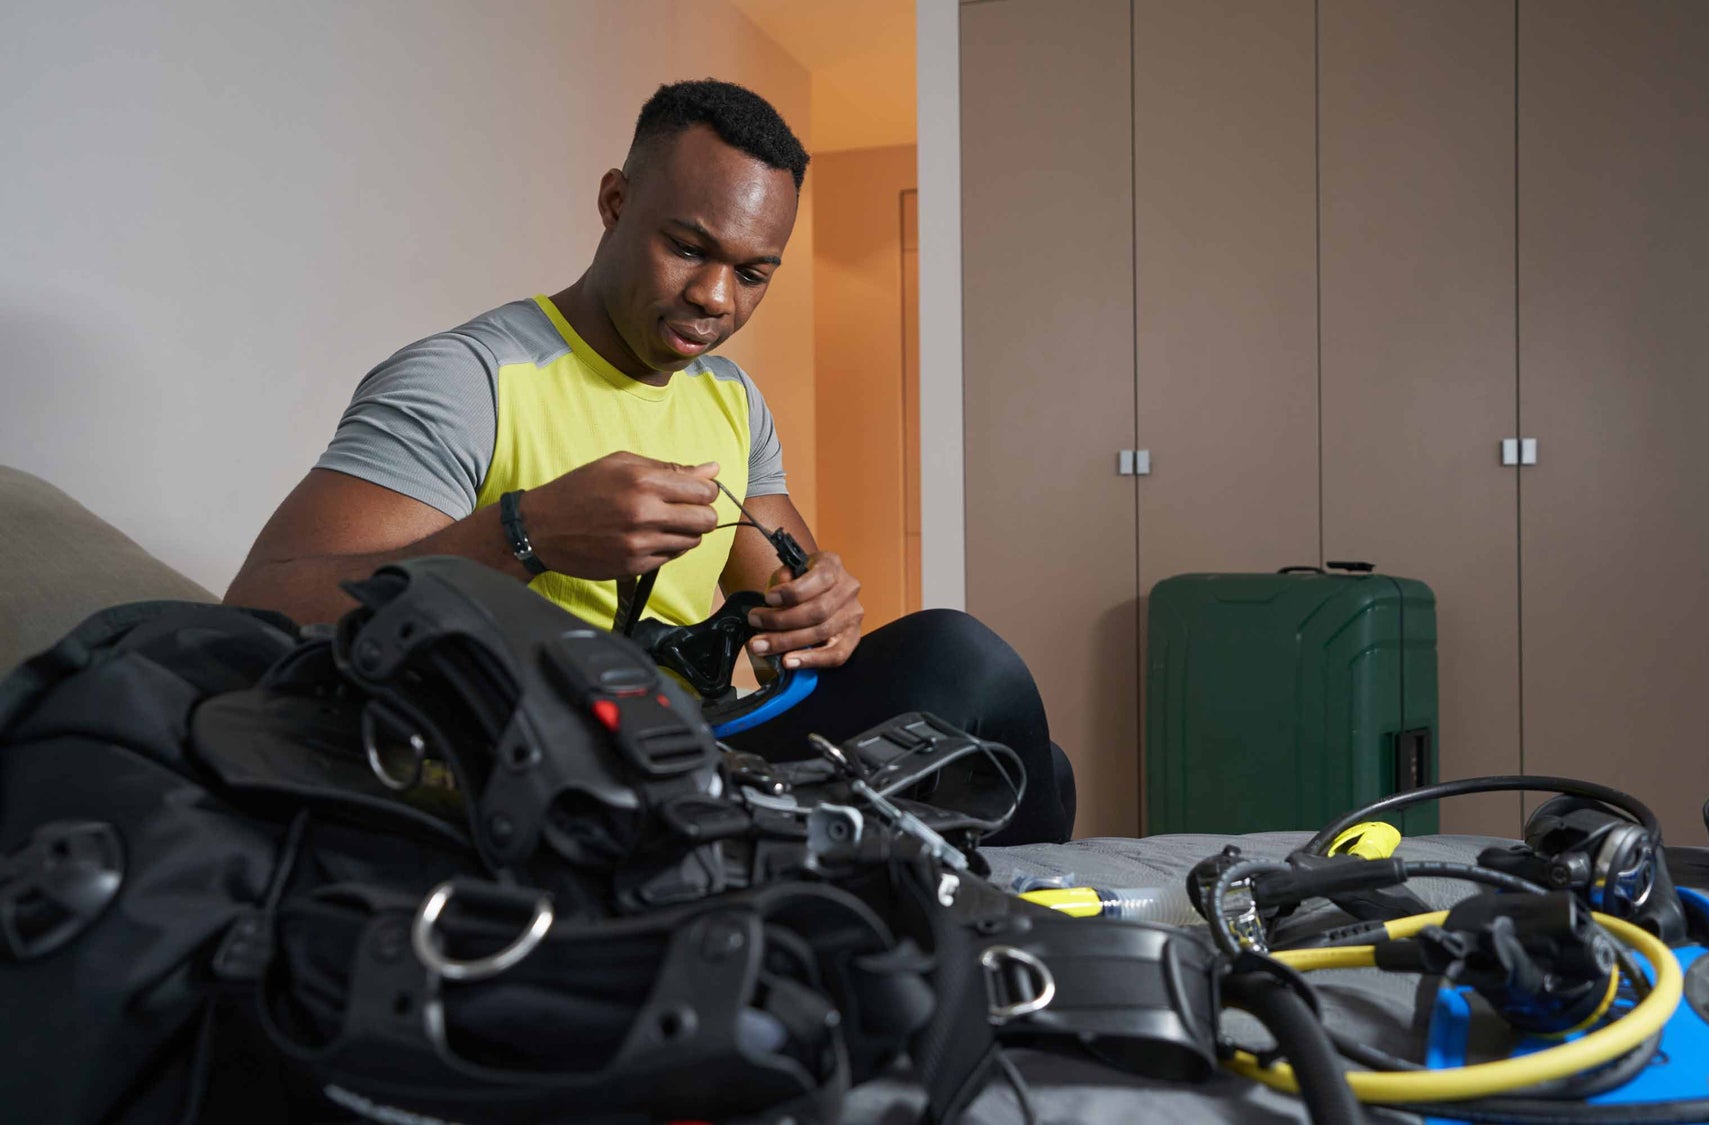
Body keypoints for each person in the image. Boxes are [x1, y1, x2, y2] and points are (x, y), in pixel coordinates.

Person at [225, 79, 1075, 844]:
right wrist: (527, 534)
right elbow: (262, 607)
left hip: (699, 742)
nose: (715, 297)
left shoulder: (732, 400)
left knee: (1029, 759)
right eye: (689, 247)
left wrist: (823, 611)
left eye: (753, 273)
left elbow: (784, 605)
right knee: (963, 660)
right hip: (545, 761)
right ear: (615, 200)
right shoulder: (470, 379)